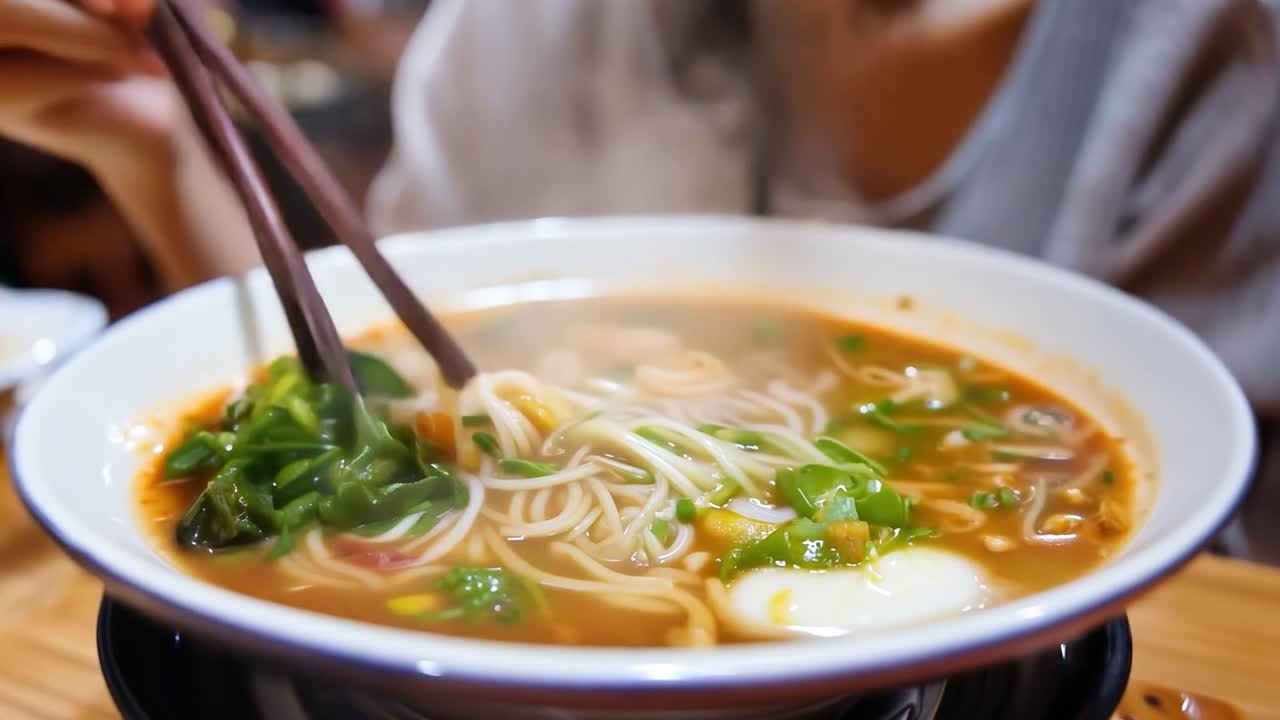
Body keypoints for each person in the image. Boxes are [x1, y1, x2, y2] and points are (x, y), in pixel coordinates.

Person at [3, 0, 1280, 558]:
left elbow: (1204, 562)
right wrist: (156, 139)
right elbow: (368, 376)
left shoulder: (1208, 51)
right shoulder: (542, 21)